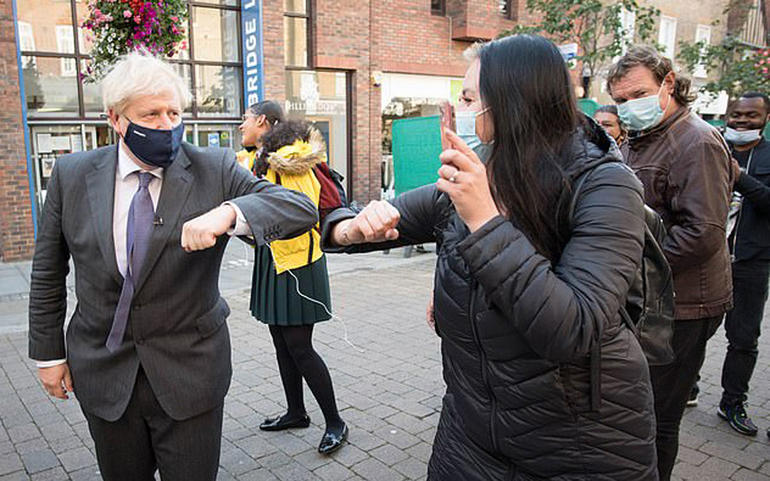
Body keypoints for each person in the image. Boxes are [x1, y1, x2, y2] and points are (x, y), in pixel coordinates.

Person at [323, 34, 657, 480]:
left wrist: (483, 219)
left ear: (512, 103)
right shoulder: (480, 174)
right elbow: (367, 221)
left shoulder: (606, 186)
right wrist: (350, 227)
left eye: (467, 98)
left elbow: (572, 329)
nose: (457, 110)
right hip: (472, 429)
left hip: (578, 443)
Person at [27, 52, 318, 481]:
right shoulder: (72, 174)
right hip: (105, 373)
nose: (166, 125)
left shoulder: (213, 167)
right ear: (116, 119)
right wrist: (48, 355)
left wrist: (230, 213)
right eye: (151, 114)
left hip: (190, 374)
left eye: (174, 113)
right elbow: (48, 270)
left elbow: (298, 208)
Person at [607, 46, 732, 481]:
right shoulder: (639, 138)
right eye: (620, 100)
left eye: (638, 94)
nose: (629, 107)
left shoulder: (697, 141)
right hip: (650, 300)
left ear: (669, 84)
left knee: (658, 416)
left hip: (684, 305)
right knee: (638, 408)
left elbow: (704, 233)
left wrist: (628, 265)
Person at [246, 119, 348, 454]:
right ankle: (296, 412)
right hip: (274, 259)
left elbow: (304, 214)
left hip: (298, 264)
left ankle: (336, 422)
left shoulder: (291, 160)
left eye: (247, 117)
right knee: (281, 342)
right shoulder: (263, 159)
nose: (241, 124)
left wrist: (256, 224)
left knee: (300, 347)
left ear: (263, 123)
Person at [716, 92, 770, 437]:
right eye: (736, 115)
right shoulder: (712, 148)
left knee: (743, 338)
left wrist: (740, 178)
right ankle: (688, 386)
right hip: (708, 259)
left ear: (765, 118)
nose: (742, 121)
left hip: (750, 261)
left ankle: (732, 402)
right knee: (692, 333)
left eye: (751, 116)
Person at [237, 100, 285, 172]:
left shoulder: (288, 160)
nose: (241, 127)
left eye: (245, 119)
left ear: (260, 120)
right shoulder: (249, 159)